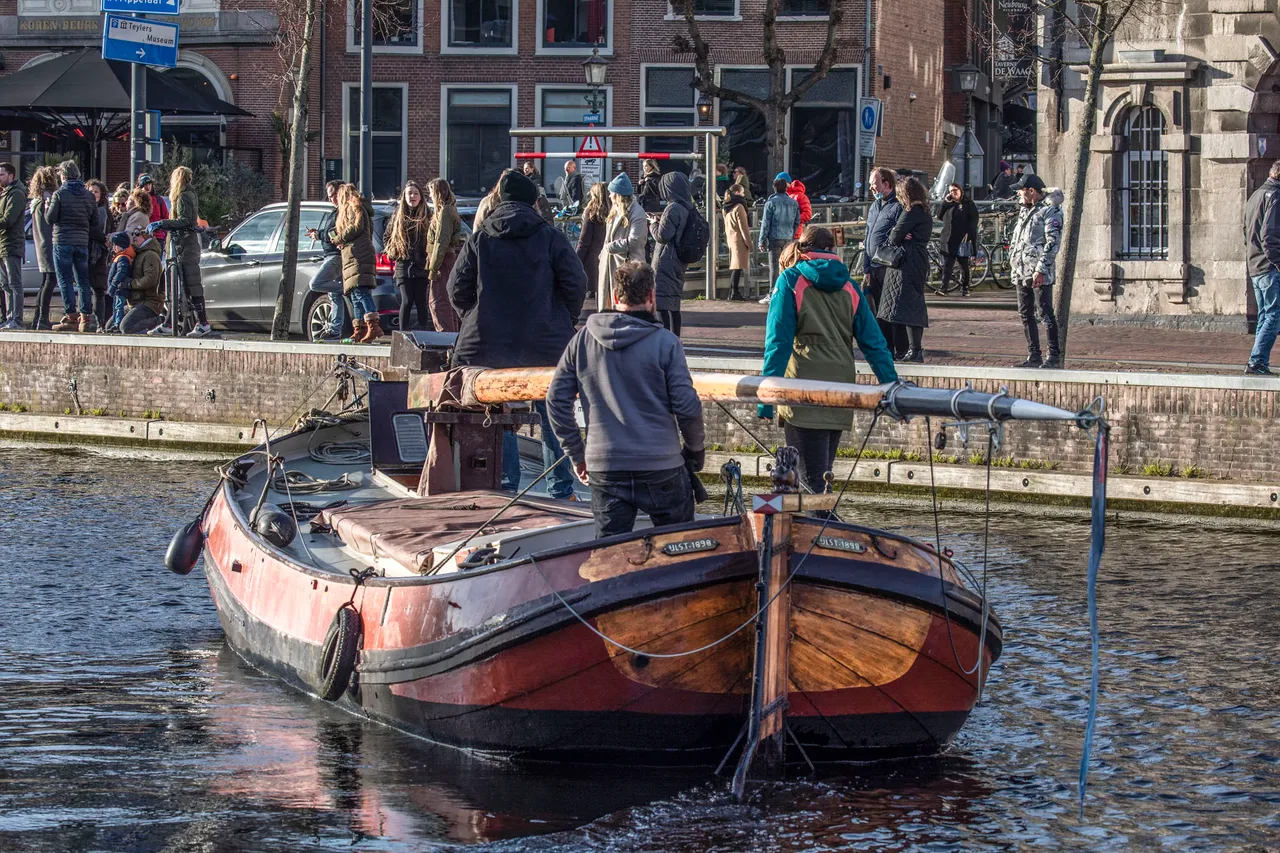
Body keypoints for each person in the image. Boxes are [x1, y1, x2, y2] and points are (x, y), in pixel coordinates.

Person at [448, 170, 585, 498]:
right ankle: (561, 487)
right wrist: (562, 319)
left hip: (490, 342)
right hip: (545, 341)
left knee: (498, 408)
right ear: (532, 202)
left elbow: (456, 289)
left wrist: (476, 317)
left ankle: (504, 483)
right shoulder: (550, 237)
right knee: (552, 410)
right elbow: (576, 282)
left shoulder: (481, 238)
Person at [546, 261, 705, 537]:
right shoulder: (666, 343)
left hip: (605, 467)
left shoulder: (583, 341)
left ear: (615, 297)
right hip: (661, 464)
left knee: (610, 556)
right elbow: (686, 406)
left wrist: (576, 452)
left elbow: (556, 401)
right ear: (652, 297)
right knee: (679, 550)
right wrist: (694, 448)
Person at [758, 226, 899, 495]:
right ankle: (817, 531)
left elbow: (778, 343)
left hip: (802, 392)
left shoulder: (790, 280)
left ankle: (815, 532)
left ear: (802, 249)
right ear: (833, 249)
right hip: (840, 392)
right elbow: (874, 344)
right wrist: (891, 386)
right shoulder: (850, 287)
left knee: (809, 487)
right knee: (820, 477)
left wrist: (766, 399)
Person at [1008, 174, 1063, 369]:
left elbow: (1053, 242)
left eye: (1021, 190)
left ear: (1032, 191)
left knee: (1045, 312)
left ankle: (1054, 356)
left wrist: (1040, 269)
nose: (1018, 194)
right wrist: (1012, 262)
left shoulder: (1050, 211)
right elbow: (1019, 239)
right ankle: (1034, 355)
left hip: (1039, 272)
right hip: (1021, 271)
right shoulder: (1024, 210)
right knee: (1025, 313)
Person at [876, 176, 932, 363]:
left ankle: (914, 350)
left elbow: (894, 236)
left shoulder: (911, 211)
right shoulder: (924, 209)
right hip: (918, 259)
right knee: (912, 302)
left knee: (908, 304)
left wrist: (901, 234)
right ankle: (914, 349)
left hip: (907, 261)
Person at [149, 165, 210, 337]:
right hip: (183, 246)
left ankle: (202, 322)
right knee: (180, 286)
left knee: (191, 285)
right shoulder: (188, 195)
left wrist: (163, 223)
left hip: (185, 247)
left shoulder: (183, 197)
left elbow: (186, 221)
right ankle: (171, 322)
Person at [48, 160, 98, 333]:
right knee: (83, 281)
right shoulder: (89, 195)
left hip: (62, 241)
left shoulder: (59, 194)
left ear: (63, 176)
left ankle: (71, 316)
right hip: (82, 243)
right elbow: (95, 221)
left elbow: (50, 219)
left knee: (65, 280)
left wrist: (48, 207)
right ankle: (85, 318)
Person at [329, 184, 381, 343]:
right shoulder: (358, 208)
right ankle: (359, 329)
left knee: (360, 291)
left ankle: (373, 326)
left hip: (357, 255)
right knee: (355, 294)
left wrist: (338, 238)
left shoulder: (354, 207)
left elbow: (355, 227)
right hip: (353, 255)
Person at [1244, 160, 1280, 375]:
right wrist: (1277, 261)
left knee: (1265, 315)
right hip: (1268, 266)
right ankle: (1257, 362)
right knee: (1274, 315)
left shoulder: (1256, 194)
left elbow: (1245, 231)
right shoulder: (1275, 196)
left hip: (1255, 264)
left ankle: (1258, 362)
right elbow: (1269, 236)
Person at [650, 171, 695, 335]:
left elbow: (662, 236)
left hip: (666, 260)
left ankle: (667, 339)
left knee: (662, 302)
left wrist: (653, 225)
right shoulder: (688, 207)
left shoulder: (672, 208)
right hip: (679, 261)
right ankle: (675, 338)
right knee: (674, 303)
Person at [863, 166, 903, 351]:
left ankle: (897, 348)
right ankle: (885, 347)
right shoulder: (874, 207)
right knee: (878, 311)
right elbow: (867, 235)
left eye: (874, 184)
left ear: (886, 183)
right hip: (873, 266)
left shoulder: (898, 205)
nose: (871, 188)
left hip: (888, 266)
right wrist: (866, 268)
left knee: (891, 310)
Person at [384, 180, 431, 332]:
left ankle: (423, 331)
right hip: (403, 266)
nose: (413, 196)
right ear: (404, 196)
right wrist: (395, 252)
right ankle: (403, 333)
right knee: (407, 300)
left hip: (422, 265)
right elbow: (387, 237)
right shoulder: (398, 216)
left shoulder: (427, 216)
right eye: (409, 193)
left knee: (420, 300)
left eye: (416, 193)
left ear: (421, 197)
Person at [599, 172, 647, 304]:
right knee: (609, 304)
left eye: (611, 192)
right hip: (610, 264)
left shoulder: (637, 212)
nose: (609, 196)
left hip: (627, 268)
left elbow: (635, 241)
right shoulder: (615, 210)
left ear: (618, 195)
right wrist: (602, 254)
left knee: (625, 304)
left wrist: (610, 247)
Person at [306, 179, 345, 338]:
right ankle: (335, 330)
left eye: (333, 195)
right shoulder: (335, 212)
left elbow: (335, 234)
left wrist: (320, 235)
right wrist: (319, 233)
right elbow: (330, 232)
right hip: (330, 255)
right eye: (329, 197)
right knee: (334, 295)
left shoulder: (343, 212)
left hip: (336, 256)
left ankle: (346, 289)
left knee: (316, 283)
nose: (331, 199)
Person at [425, 178, 462, 333]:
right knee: (445, 301)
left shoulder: (445, 211)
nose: (429, 196)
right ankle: (450, 337)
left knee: (438, 301)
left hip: (441, 260)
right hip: (443, 258)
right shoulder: (448, 209)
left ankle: (445, 338)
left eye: (431, 192)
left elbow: (441, 241)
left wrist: (433, 268)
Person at [757, 176, 801, 304]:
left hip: (775, 238)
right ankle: (788, 291)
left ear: (774, 188)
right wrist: (792, 234)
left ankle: (773, 292)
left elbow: (765, 224)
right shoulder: (793, 203)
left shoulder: (770, 203)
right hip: (788, 238)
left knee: (774, 267)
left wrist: (762, 240)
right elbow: (797, 221)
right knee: (788, 265)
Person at [935, 183, 980, 297]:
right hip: (948, 238)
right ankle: (944, 288)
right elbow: (939, 216)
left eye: (955, 190)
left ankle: (965, 286)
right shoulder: (949, 204)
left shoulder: (968, 204)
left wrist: (969, 236)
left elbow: (973, 221)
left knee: (963, 264)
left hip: (962, 239)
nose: (952, 193)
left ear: (960, 191)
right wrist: (945, 203)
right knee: (947, 265)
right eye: (950, 191)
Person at [27, 166, 58, 330]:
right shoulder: (47, 200)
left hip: (40, 245)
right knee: (50, 281)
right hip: (48, 244)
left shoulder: (35, 201)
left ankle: (37, 318)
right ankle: (42, 318)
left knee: (45, 281)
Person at [120, 225, 164, 335]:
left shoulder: (150, 255)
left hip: (149, 302)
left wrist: (130, 284)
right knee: (111, 326)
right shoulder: (138, 253)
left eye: (138, 234)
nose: (134, 237)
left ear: (146, 236)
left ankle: (159, 321)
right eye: (133, 234)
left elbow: (150, 280)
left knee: (126, 327)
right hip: (135, 302)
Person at [0, 162, 26, 329]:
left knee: (14, 283)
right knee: (5, 284)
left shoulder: (16, 194)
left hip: (11, 244)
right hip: (3, 245)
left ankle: (16, 319)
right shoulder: (5, 194)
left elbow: (9, 220)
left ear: (11, 176)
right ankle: (10, 318)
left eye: (1, 174)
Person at [576, 182, 608, 300]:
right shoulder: (615, 212)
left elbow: (584, 241)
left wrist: (576, 260)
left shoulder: (592, 212)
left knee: (591, 301)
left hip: (592, 263)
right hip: (607, 259)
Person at [86, 179, 111, 328]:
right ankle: (87, 319)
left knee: (99, 289)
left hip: (99, 253)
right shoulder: (85, 209)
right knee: (85, 287)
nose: (93, 194)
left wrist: (105, 240)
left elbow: (102, 229)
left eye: (96, 192)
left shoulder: (103, 210)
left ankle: (99, 322)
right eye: (91, 192)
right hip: (87, 250)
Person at [722, 182, 752, 301]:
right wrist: (749, 243)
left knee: (736, 266)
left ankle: (732, 292)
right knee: (737, 267)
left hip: (731, 239)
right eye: (742, 192)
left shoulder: (727, 207)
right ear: (737, 192)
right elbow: (744, 227)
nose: (744, 194)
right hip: (739, 240)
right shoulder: (739, 207)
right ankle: (735, 292)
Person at [103, 231, 135, 334]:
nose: (114, 248)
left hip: (120, 287)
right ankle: (115, 324)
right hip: (118, 288)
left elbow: (121, 273)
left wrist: (113, 285)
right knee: (116, 306)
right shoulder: (121, 257)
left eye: (116, 245)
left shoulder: (123, 258)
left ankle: (117, 324)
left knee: (118, 307)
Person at [137, 174, 169, 242]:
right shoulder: (137, 200)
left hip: (158, 236)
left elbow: (165, 217)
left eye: (149, 184)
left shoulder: (158, 199)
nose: (148, 187)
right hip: (142, 236)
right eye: (145, 185)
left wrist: (165, 234)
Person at [784, 174, 813, 239]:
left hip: (794, 233)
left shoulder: (799, 196)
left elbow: (807, 214)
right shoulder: (785, 196)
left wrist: (794, 219)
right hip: (790, 233)